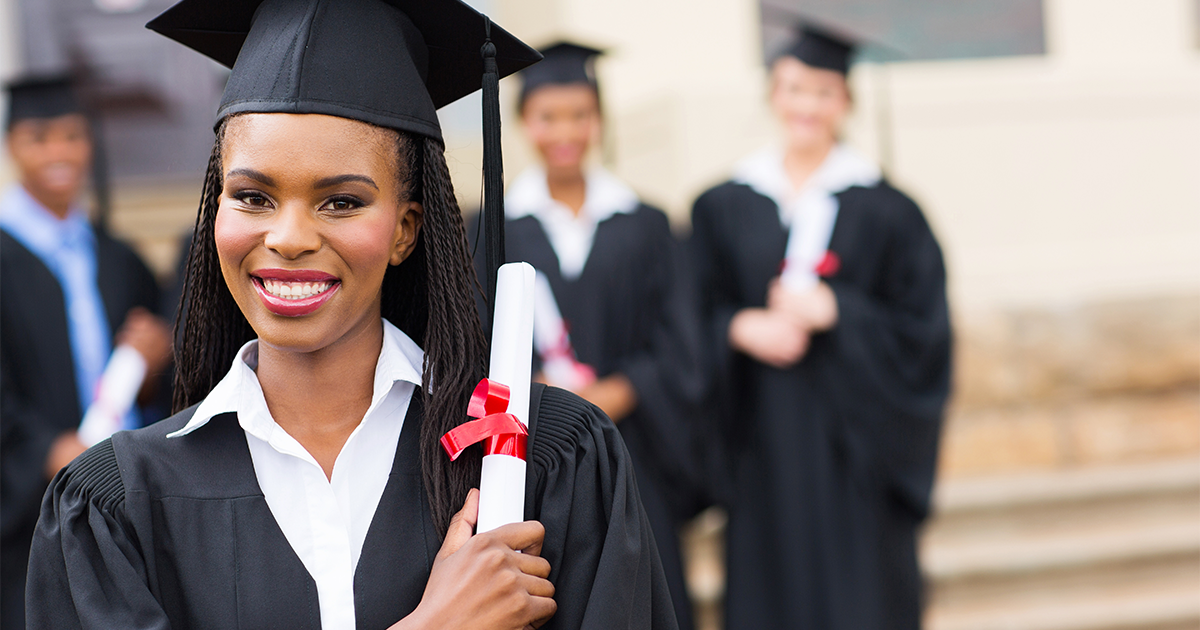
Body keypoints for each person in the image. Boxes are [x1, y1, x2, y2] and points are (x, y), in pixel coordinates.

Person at [25, 1, 677, 629]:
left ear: (405, 229)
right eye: (252, 196)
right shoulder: (113, 506)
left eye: (340, 202)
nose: (288, 236)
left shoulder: (551, 460)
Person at [688, 24, 952, 630]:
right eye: (794, 88)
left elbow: (926, 333)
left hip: (855, 453)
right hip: (763, 449)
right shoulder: (723, 204)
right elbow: (688, 313)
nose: (807, 105)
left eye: (824, 92)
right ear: (773, 94)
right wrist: (738, 327)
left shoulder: (890, 210)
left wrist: (842, 313)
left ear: (847, 102)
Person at [484, 41, 708, 630]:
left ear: (600, 121)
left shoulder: (647, 224)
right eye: (548, 116)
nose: (566, 131)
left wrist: (614, 394)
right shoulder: (493, 227)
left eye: (580, 115)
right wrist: (535, 393)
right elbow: (468, 340)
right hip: (534, 458)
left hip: (635, 453)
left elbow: (681, 344)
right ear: (524, 123)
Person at [0, 74, 171, 630]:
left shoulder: (116, 255)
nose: (59, 152)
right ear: (12, 147)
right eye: (40, 137)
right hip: (26, 515)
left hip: (112, 491)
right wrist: (51, 451)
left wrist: (150, 363)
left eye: (72, 136)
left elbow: (159, 377)